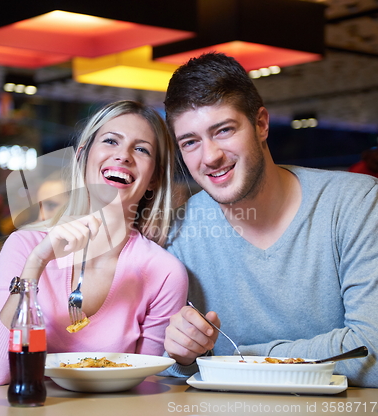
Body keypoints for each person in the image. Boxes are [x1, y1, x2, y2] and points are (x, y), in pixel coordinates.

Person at [161, 53, 378, 387]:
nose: (210, 156)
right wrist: (183, 355)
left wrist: (235, 360)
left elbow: (372, 354)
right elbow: (166, 366)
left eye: (224, 130)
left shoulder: (354, 204)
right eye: (190, 142)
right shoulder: (180, 232)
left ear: (261, 124)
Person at [0, 100, 188, 385]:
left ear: (153, 179)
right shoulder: (25, 247)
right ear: (82, 157)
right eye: (111, 141)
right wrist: (36, 265)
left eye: (141, 149)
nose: (123, 156)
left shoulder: (164, 272)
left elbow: (148, 386)